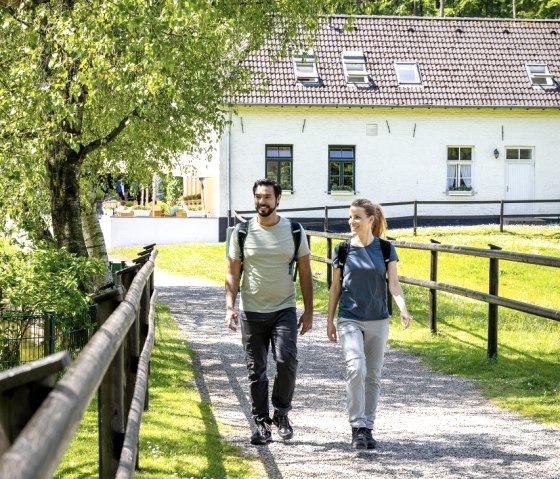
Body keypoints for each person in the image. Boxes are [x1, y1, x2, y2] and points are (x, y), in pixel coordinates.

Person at [225, 179, 314, 446]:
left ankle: (282, 414)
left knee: (286, 360)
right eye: (258, 197)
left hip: (284, 308)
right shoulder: (242, 232)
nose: (262, 202)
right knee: (257, 370)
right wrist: (229, 306)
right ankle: (262, 423)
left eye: (267, 197)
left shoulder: (294, 231)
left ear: (278, 200)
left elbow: (306, 273)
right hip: (252, 311)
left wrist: (309, 311)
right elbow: (232, 273)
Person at [327, 199, 410, 450]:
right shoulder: (342, 249)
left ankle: (367, 428)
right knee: (356, 367)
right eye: (350, 217)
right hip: (350, 317)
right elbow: (336, 287)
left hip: (378, 319)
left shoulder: (385, 249)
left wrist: (402, 307)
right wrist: (329, 320)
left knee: (373, 375)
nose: (352, 221)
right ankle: (356, 425)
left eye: (357, 217)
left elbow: (393, 283)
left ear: (370, 220)